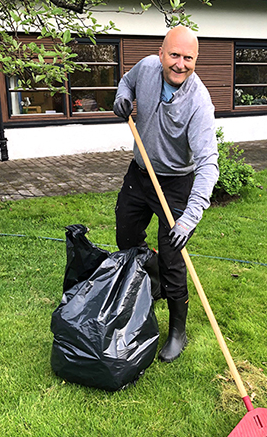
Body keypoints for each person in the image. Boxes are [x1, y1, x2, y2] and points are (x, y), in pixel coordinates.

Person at [112, 26, 219, 363]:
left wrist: (188, 220)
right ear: (161, 54)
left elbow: (208, 165)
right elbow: (126, 83)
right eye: (175, 55)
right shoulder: (145, 68)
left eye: (189, 58)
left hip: (175, 185)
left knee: (175, 259)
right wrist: (121, 98)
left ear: (196, 60)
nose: (180, 64)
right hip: (139, 174)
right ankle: (152, 275)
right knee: (126, 237)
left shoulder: (199, 103)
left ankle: (178, 331)